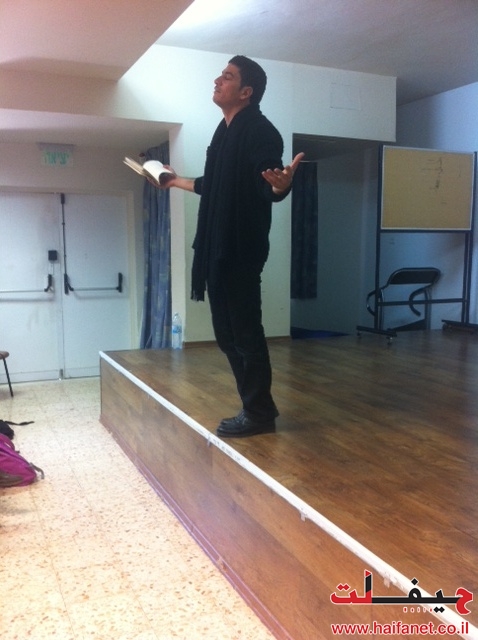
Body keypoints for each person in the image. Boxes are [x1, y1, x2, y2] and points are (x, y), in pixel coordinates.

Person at [161, 55, 304, 437]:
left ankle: (259, 414)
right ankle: (255, 407)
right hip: (217, 250)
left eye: (227, 76)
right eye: (220, 75)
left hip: (239, 249)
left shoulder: (260, 130)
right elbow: (214, 185)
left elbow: (266, 182)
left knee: (245, 335)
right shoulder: (223, 132)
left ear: (246, 91)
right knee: (228, 337)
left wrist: (281, 186)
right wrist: (173, 181)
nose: (217, 80)